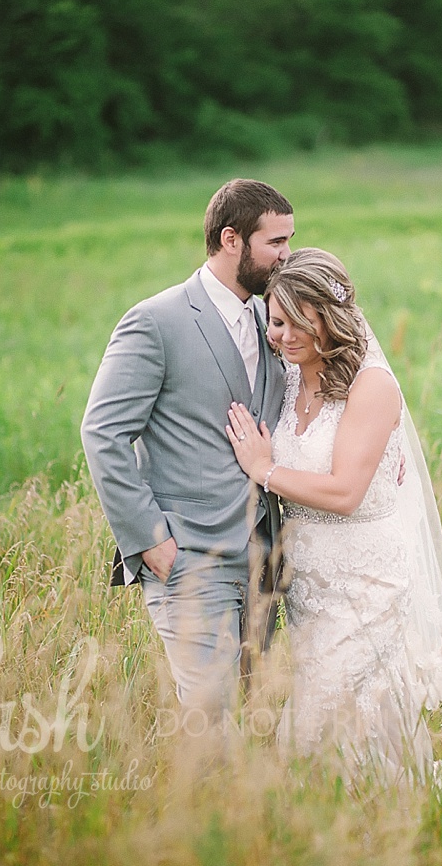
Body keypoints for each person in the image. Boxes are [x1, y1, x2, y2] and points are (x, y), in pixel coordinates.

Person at [224, 248, 442, 785]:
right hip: (310, 583)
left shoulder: (372, 386)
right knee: (365, 715)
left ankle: (355, 817)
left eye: (293, 323)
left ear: (326, 320)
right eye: (275, 321)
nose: (280, 336)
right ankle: (395, 814)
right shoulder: (287, 380)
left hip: (368, 578)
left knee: (313, 726)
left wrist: (264, 470)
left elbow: (344, 492)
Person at [81, 179, 294, 728]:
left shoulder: (271, 320)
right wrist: (150, 542)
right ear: (231, 239)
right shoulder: (156, 322)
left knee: (256, 725)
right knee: (210, 725)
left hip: (263, 559)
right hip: (189, 558)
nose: (286, 255)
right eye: (275, 243)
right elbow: (102, 432)